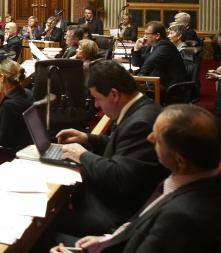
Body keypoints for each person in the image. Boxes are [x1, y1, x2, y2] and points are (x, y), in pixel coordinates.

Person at [51, 105, 221, 253]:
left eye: (157, 138)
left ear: (180, 160)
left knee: (39, 239)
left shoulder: (181, 218)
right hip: (116, 240)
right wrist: (109, 238)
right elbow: (142, 221)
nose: (149, 138)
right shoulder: (194, 179)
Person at [51, 61, 168, 237]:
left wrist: (83, 155)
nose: (96, 105)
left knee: (46, 222)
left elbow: (119, 177)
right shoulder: (141, 108)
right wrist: (87, 138)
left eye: (97, 98)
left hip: (114, 214)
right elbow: (120, 145)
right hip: (113, 201)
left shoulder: (140, 123)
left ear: (114, 94)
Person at [130, 21, 187, 93]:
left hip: (170, 88)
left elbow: (150, 62)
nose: (144, 37)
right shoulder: (150, 47)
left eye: (147, 34)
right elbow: (137, 64)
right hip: (157, 83)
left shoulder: (166, 46)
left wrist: (137, 79)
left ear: (157, 35)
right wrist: (137, 49)